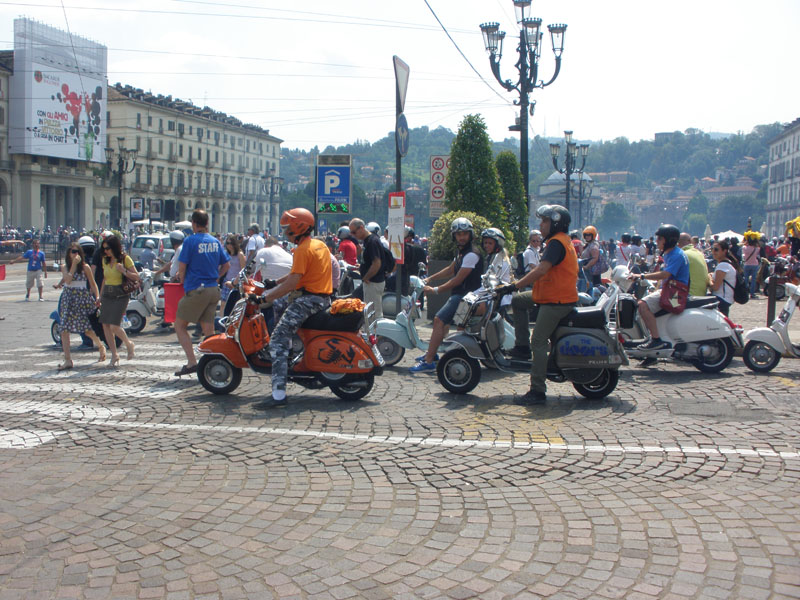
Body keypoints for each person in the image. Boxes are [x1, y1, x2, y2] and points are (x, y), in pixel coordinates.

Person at [502, 205, 578, 404]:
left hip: (556, 301)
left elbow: (542, 269)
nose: (541, 225)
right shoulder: (560, 241)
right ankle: (521, 346)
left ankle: (537, 390)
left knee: (539, 340)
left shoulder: (556, 243)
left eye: (544, 221)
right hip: (549, 295)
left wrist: (515, 285)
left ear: (555, 223)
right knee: (518, 302)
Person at [258, 208, 332, 408]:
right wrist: (274, 283)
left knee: (277, 340)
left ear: (298, 227)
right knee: (280, 304)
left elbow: (292, 283)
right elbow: (296, 274)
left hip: (308, 300)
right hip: (322, 298)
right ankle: (291, 349)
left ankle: (278, 394)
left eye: (287, 227)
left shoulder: (302, 249)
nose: (285, 232)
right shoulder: (318, 245)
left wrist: (265, 297)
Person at [411, 217, 484, 373]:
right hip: (462, 295)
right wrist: (430, 278)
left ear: (470, 234)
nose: (462, 237)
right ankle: (433, 354)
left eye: (465, 233)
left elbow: (457, 280)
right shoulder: (462, 252)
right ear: (454, 236)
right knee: (442, 324)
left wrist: (435, 290)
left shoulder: (471, 254)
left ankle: (429, 361)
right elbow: (451, 269)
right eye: (458, 234)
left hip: (465, 297)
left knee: (438, 320)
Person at [174, 209, 230, 376]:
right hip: (213, 289)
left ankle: (192, 362)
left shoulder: (190, 241)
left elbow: (182, 266)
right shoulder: (215, 241)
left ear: (193, 223)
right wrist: (217, 277)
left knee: (179, 325)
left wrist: (182, 280)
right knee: (208, 329)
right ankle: (213, 362)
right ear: (207, 223)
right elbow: (226, 265)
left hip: (197, 289)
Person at [627, 225, 690, 351]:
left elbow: (665, 274)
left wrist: (641, 276)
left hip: (674, 294)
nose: (657, 241)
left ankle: (656, 340)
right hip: (671, 289)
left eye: (660, 238)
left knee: (643, 305)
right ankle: (652, 340)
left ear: (668, 240)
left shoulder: (676, 255)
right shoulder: (671, 253)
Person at [52, 242, 105, 369]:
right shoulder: (65, 267)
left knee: (86, 329)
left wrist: (97, 296)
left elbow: (93, 283)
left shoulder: (85, 267)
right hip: (68, 298)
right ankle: (68, 360)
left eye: (77, 252)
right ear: (69, 254)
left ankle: (100, 345)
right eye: (73, 252)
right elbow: (68, 280)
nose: (76, 254)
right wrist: (73, 265)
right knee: (64, 329)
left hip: (81, 298)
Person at [98, 234, 139, 367]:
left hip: (120, 295)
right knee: (105, 325)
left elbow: (137, 276)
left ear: (115, 247)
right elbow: (105, 278)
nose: (106, 251)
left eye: (108, 248)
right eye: (104, 248)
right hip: (107, 294)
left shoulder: (124, 259)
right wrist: (99, 295)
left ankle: (128, 344)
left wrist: (124, 271)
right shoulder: (105, 260)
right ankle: (114, 354)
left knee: (114, 325)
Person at [349, 217, 387, 319]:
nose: (353, 235)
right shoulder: (368, 240)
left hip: (373, 282)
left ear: (361, 227)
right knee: (370, 311)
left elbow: (376, 263)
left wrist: (366, 277)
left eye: (354, 232)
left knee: (373, 314)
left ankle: (375, 334)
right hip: (372, 281)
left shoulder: (372, 241)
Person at [708, 239, 739, 317]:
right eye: (712, 249)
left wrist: (709, 279)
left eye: (716, 249)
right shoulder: (727, 263)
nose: (713, 252)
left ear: (724, 251)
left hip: (721, 299)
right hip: (726, 298)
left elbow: (715, 287)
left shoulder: (723, 265)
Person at [220, 235, 246, 316]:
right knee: (223, 303)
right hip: (226, 281)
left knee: (235, 305)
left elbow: (243, 270)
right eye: (227, 243)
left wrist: (237, 282)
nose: (229, 245)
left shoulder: (240, 254)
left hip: (236, 283)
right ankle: (222, 322)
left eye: (231, 243)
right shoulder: (226, 254)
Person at [679, 232, 710, 297]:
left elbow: (670, 275)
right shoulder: (699, 253)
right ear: (691, 242)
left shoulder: (683, 255)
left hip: (690, 295)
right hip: (702, 293)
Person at [580, 226, 601, 293]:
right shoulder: (589, 245)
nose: (587, 237)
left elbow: (595, 258)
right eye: (585, 235)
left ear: (593, 235)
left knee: (591, 289)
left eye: (589, 235)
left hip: (591, 272)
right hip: (587, 272)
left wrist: (586, 266)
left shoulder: (593, 245)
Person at [742, 232, 761, 299]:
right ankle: (752, 293)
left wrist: (746, 240)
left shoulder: (744, 248)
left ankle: (745, 292)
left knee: (746, 280)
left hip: (747, 264)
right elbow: (759, 245)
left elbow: (743, 243)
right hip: (754, 264)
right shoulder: (757, 249)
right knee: (753, 280)